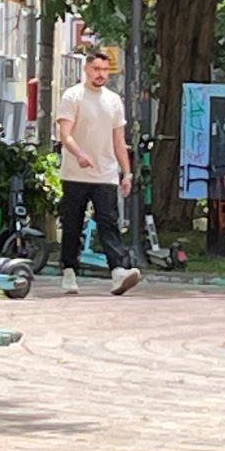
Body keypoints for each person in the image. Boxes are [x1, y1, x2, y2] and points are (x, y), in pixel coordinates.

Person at [55, 51, 142, 296]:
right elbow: (65, 134)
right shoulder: (72, 96)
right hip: (75, 174)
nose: (100, 74)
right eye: (96, 69)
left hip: (105, 173)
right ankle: (69, 270)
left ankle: (118, 272)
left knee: (108, 221)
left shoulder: (114, 100)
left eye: (105, 70)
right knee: (72, 223)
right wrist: (79, 153)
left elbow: (118, 140)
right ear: (86, 69)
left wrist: (126, 172)